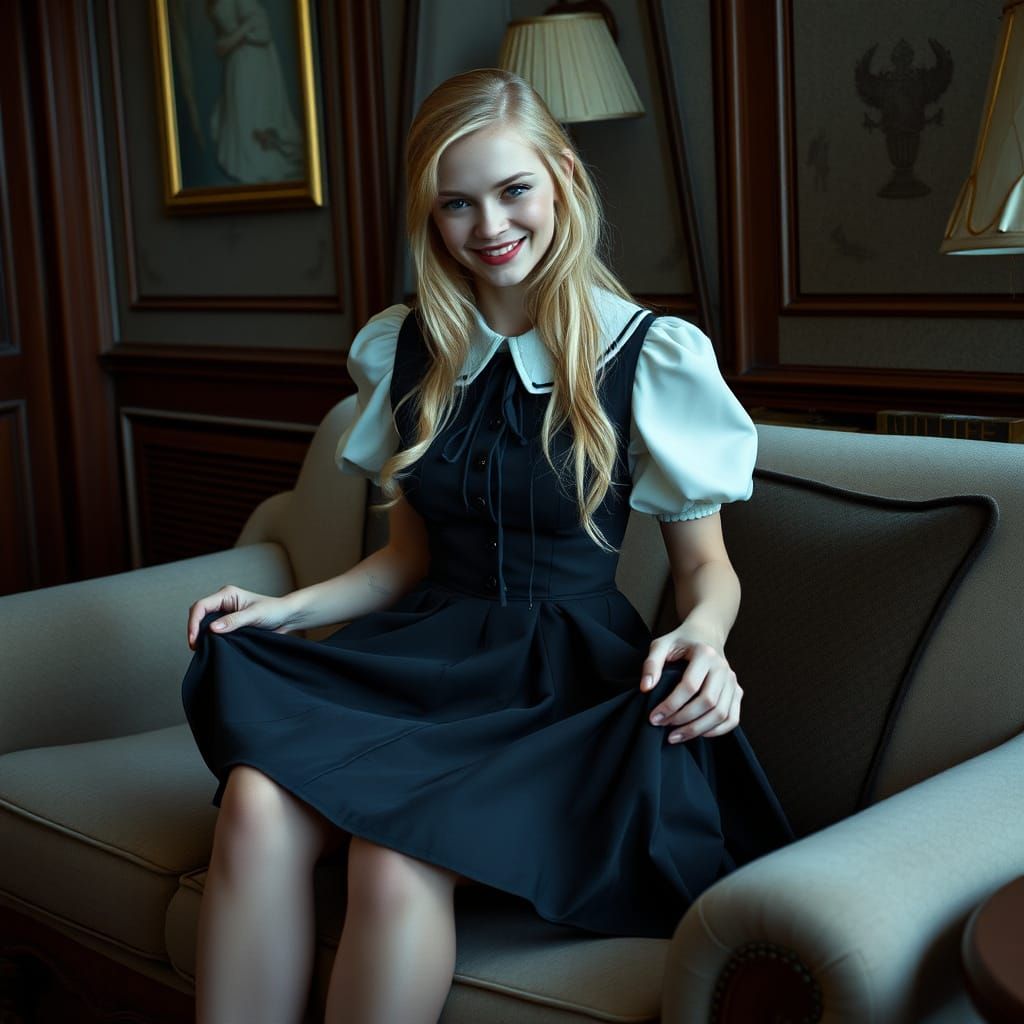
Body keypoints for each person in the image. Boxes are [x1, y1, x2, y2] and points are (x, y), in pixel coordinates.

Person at [181, 68, 795, 1024]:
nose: (490, 226)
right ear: (430, 215)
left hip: (564, 688)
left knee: (395, 855)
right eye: (457, 203)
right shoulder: (405, 348)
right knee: (254, 802)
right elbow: (406, 560)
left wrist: (705, 640)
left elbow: (706, 571)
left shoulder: (650, 355)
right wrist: (285, 610)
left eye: (513, 191)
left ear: (563, 179)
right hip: (429, 657)